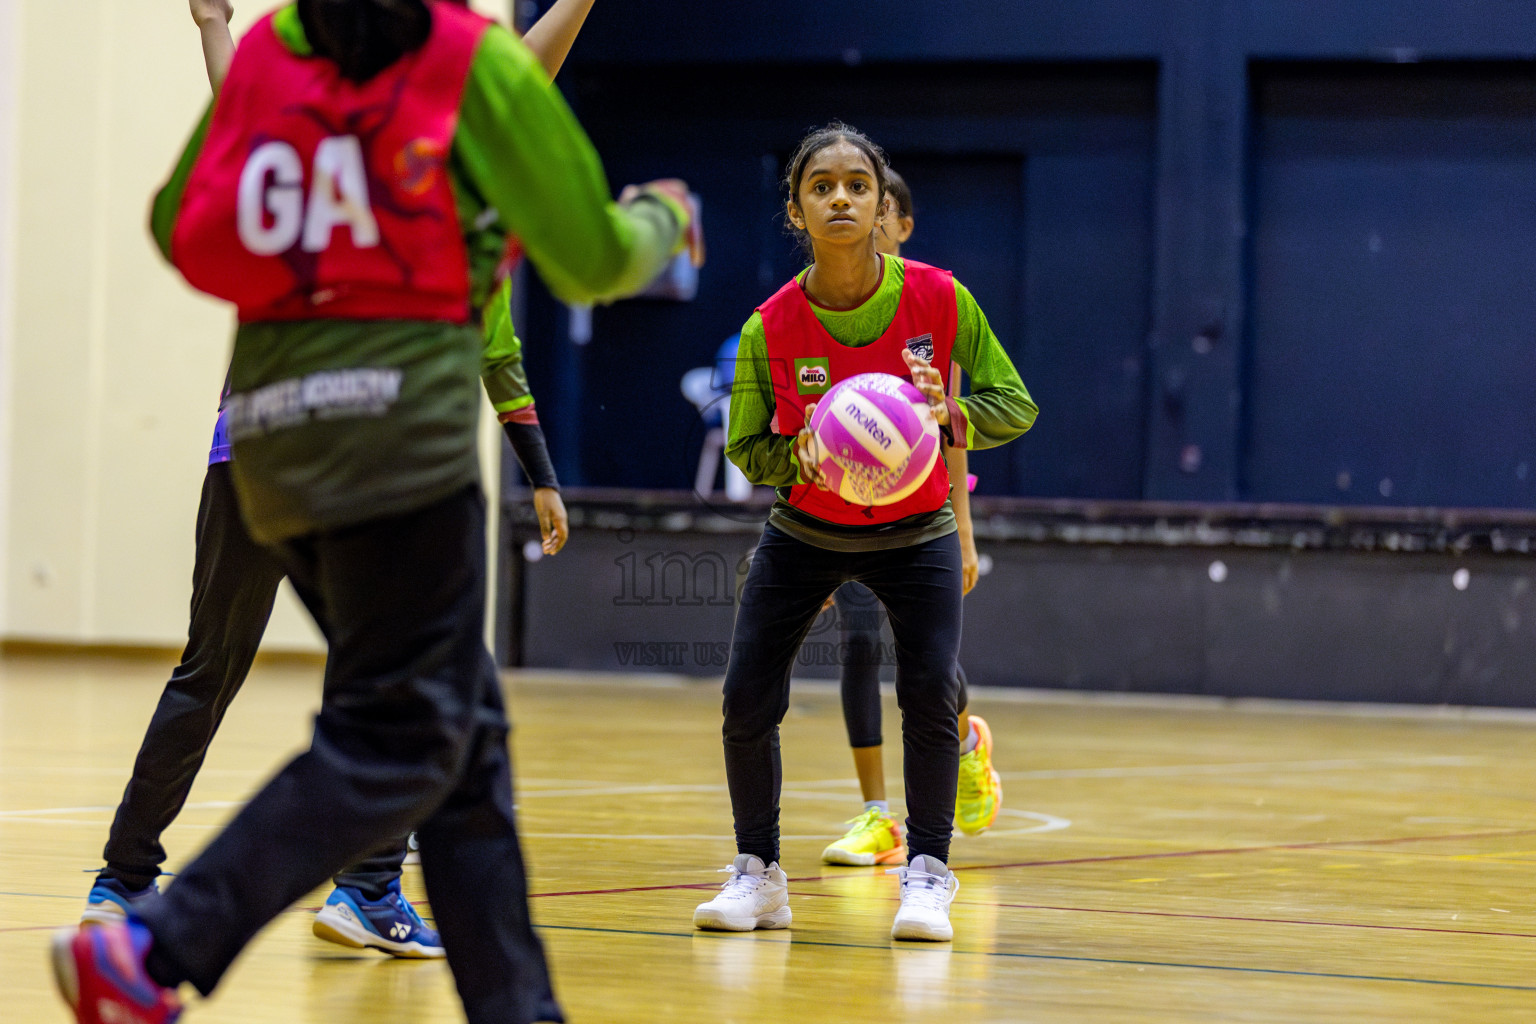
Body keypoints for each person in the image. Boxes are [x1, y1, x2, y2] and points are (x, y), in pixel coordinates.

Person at [50, 1, 694, 1022]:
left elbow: (187, 233)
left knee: (462, 729)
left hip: (268, 443)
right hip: (396, 456)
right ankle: (152, 945)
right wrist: (664, 212)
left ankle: (515, 1003)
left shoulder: (272, 50)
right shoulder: (466, 61)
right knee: (397, 734)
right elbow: (595, 257)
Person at [692, 123, 1035, 942]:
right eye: (821, 186)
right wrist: (798, 454)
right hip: (806, 530)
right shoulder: (768, 327)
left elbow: (1013, 404)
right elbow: (747, 446)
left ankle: (927, 873)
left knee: (927, 693)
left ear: (883, 204)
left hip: (915, 530)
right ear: (796, 210)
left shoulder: (941, 300)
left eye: (856, 184)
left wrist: (945, 412)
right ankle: (759, 874)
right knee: (746, 696)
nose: (840, 197)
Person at [819, 166, 1002, 868]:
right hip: (849, 507)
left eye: (878, 208)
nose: (862, 219)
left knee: (925, 660)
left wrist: (963, 529)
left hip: (925, 512)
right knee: (860, 643)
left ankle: (965, 746)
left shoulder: (935, 305)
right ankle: (876, 816)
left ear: (899, 223)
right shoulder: (829, 306)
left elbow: (956, 430)